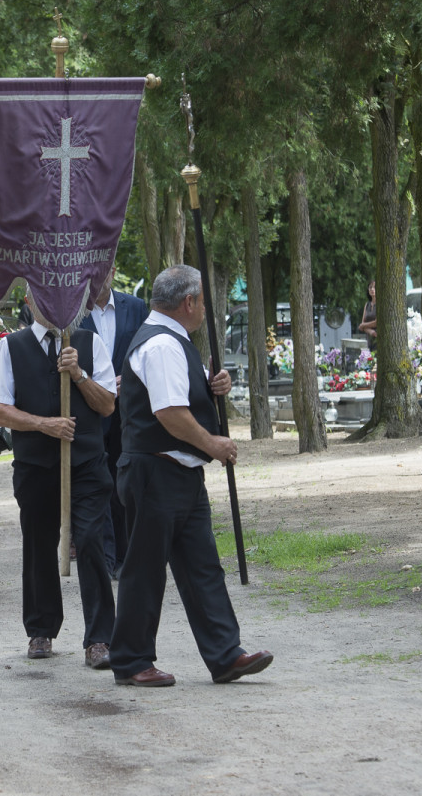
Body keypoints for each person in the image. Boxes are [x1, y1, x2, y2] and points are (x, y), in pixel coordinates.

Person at [109, 264, 273, 687]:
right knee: (145, 570)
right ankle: (130, 660)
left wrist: (213, 383)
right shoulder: (163, 344)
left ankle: (224, 654)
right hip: (155, 470)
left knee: (202, 567)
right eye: (203, 299)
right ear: (189, 302)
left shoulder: (174, 341)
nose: (204, 309)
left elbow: (186, 395)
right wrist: (213, 444)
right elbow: (169, 413)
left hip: (178, 473)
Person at [0, 291, 118, 669]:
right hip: (36, 467)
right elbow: (3, 412)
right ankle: (41, 628)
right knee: (39, 544)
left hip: (88, 464)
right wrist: (46, 425)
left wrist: (78, 375)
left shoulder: (90, 343)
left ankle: (99, 639)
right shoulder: (10, 348)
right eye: (44, 293)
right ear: (30, 298)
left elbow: (107, 405)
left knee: (91, 541)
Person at [79, 265, 149, 576]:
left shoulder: (135, 307)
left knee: (127, 486)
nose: (97, 277)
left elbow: (148, 351)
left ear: (114, 271)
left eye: (102, 270)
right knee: (98, 486)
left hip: (128, 413)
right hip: (90, 412)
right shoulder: (73, 314)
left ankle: (126, 555)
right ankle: (106, 558)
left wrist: (129, 380)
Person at [359, 279, 377, 350]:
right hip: (368, 338)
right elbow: (361, 326)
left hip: (378, 338)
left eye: (374, 287)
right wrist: (370, 331)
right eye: (370, 287)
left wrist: (363, 325)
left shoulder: (381, 304)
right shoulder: (367, 305)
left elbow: (377, 323)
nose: (372, 289)